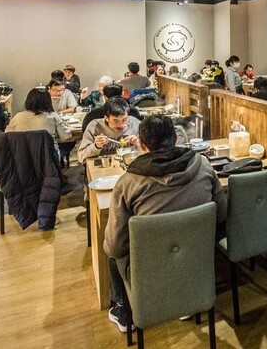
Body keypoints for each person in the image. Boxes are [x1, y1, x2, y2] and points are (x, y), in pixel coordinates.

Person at [103, 115, 227, 332]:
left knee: (113, 248)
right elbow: (221, 214)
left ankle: (124, 311)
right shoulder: (203, 164)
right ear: (175, 138)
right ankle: (185, 299)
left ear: (142, 145)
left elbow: (115, 247)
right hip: (197, 258)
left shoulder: (127, 183)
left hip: (150, 271)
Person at [77, 98, 141, 164]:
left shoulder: (136, 124)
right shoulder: (94, 127)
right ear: (106, 118)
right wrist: (96, 146)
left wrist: (139, 144)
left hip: (130, 165)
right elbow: (81, 156)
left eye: (124, 120)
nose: (121, 125)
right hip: (104, 166)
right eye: (115, 121)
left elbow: (147, 153)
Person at [6, 87, 72, 147]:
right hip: (47, 154)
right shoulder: (53, 116)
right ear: (48, 101)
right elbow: (65, 136)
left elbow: (7, 134)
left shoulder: (18, 117)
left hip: (23, 154)